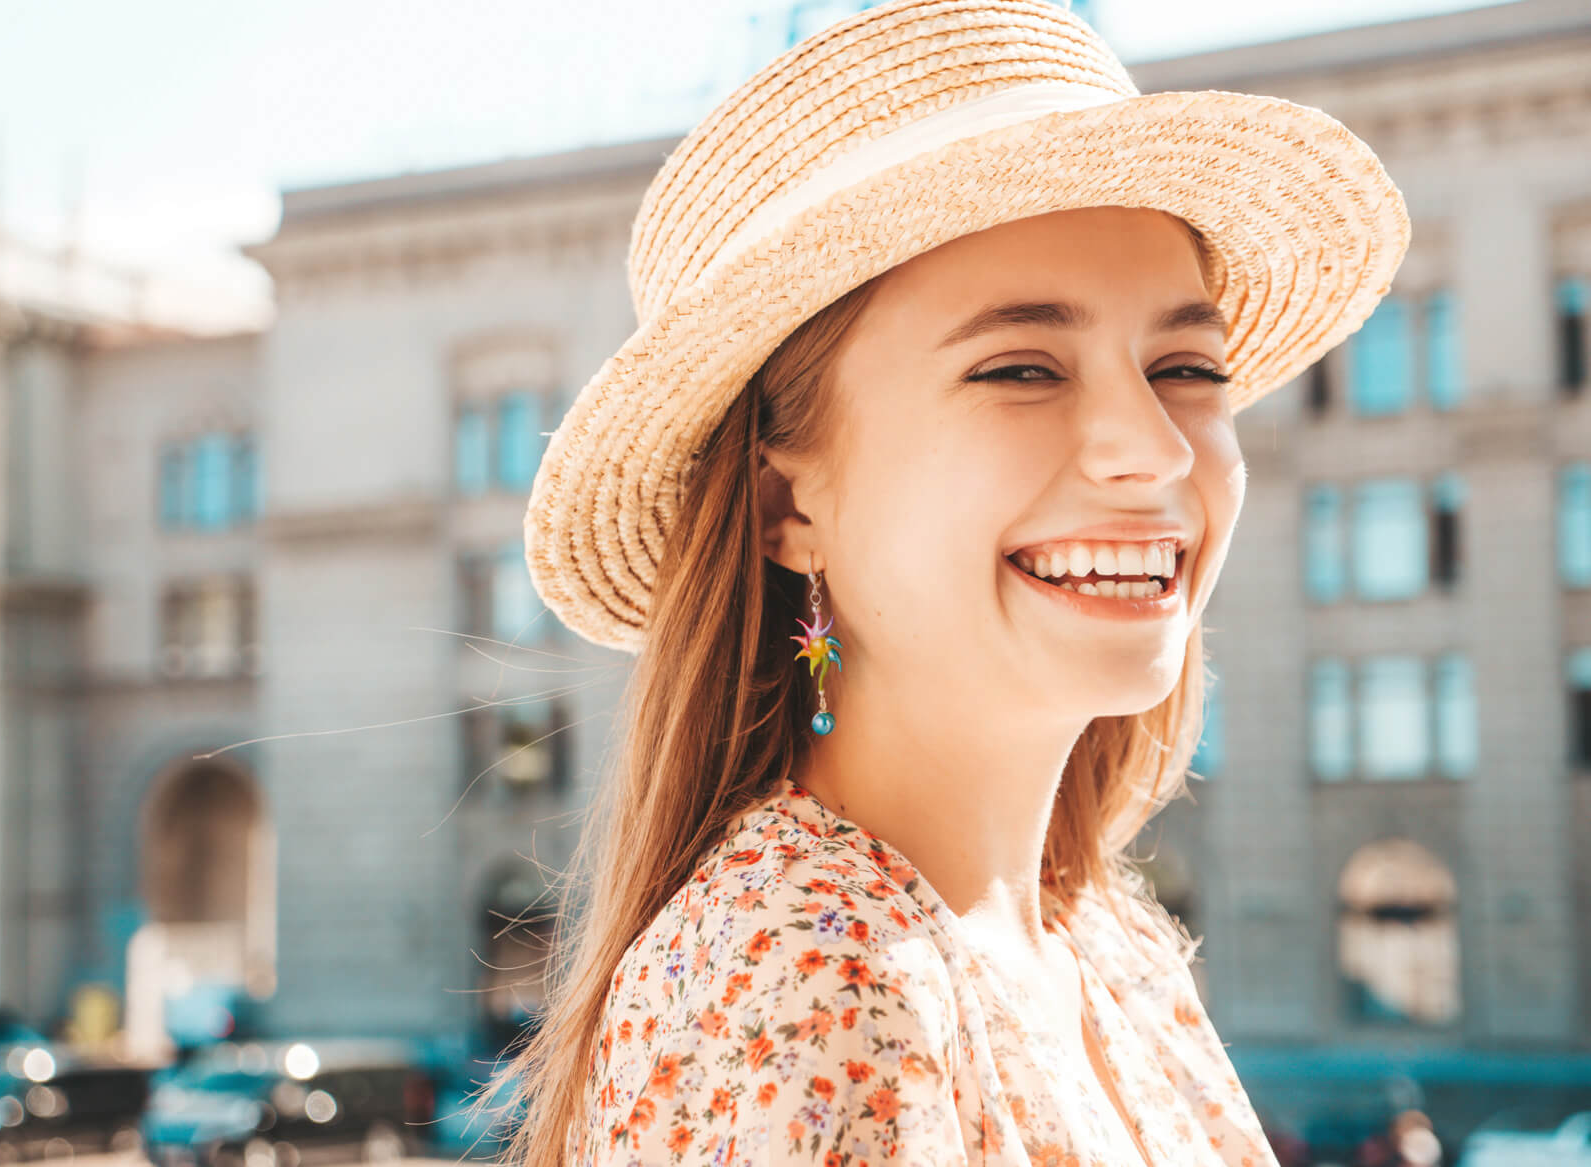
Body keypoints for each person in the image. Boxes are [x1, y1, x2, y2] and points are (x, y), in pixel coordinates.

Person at [475, 0, 1410, 1162]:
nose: (1157, 448)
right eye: (1020, 367)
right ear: (786, 506)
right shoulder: (808, 976)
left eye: (1184, 365)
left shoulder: (1104, 942)